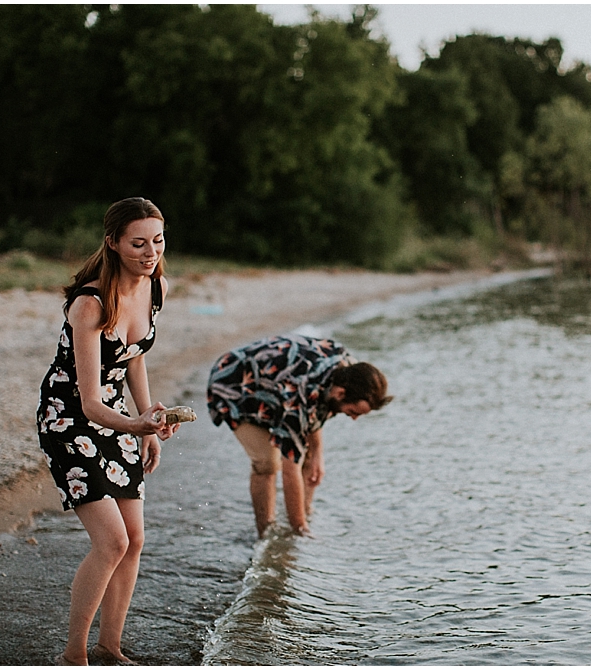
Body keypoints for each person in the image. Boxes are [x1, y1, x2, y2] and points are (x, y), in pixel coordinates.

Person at [36, 197, 179, 666]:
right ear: (114, 243)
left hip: (116, 416)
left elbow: (135, 354)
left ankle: (109, 647)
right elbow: (89, 401)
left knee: (135, 539)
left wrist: (149, 425)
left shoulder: (154, 286)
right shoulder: (90, 305)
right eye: (138, 243)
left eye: (157, 240)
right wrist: (134, 424)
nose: (150, 252)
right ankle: (73, 653)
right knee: (112, 541)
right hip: (69, 419)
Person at [206, 334, 392, 538]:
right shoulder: (300, 394)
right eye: (353, 411)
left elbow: (316, 412)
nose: (354, 418)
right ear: (340, 393)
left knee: (310, 457)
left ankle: (304, 513)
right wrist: (300, 531)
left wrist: (318, 454)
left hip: (275, 384)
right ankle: (268, 532)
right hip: (234, 385)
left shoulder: (350, 371)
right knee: (268, 463)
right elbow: (290, 469)